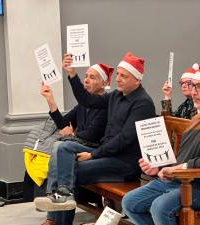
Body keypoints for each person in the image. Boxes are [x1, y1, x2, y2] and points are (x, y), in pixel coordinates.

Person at [35, 52, 156, 225]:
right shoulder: (116, 95)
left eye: (124, 76)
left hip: (124, 163)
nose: (118, 79)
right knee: (62, 148)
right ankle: (62, 199)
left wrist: (93, 155)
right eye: (119, 74)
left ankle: (58, 214)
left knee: (68, 171)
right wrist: (72, 74)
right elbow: (86, 100)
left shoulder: (143, 103)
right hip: (106, 154)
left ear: (137, 80)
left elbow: (124, 139)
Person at [122, 60, 200, 225]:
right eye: (193, 86)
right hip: (181, 181)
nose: (194, 92)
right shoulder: (197, 118)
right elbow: (183, 157)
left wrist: (177, 169)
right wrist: (160, 167)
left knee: (160, 207)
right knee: (130, 202)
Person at [37, 63, 113, 225]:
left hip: (96, 150)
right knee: (60, 149)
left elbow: (93, 135)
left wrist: (71, 134)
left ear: (104, 83)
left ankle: (53, 214)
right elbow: (63, 123)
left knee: (60, 147)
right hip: (78, 146)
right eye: (85, 76)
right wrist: (50, 99)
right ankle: (54, 216)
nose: (86, 80)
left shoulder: (106, 103)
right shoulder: (83, 105)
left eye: (92, 77)